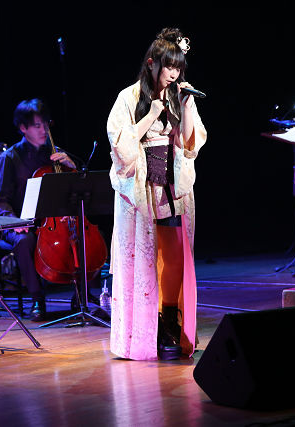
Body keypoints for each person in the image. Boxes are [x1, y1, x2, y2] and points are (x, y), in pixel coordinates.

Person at [106, 28, 207, 360]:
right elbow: (121, 147)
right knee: (147, 258)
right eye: (169, 67)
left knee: (175, 257)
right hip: (142, 189)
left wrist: (187, 107)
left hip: (173, 188)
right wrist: (150, 114)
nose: (174, 74)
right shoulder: (128, 97)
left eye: (179, 68)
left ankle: (169, 319)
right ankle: (145, 331)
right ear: (152, 64)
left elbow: (190, 145)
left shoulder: (179, 95)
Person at [0, 99, 75, 320]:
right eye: (37, 126)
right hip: (20, 224)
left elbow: (74, 190)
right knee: (24, 241)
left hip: (52, 222)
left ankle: (82, 295)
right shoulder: (10, 158)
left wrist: (72, 167)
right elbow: (1, 202)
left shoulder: (55, 153)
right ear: (23, 128)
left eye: (46, 124)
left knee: (78, 233)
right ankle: (37, 298)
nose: (44, 130)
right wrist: (15, 223)